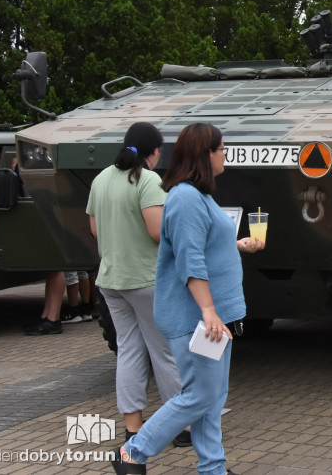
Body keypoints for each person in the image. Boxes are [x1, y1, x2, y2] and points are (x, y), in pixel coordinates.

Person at [112, 123, 264, 475]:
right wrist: (208, 310)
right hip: (195, 318)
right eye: (221, 148)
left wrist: (237, 245)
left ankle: (213, 468)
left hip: (212, 318)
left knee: (211, 398)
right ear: (205, 154)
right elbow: (189, 259)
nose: (225, 154)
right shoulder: (184, 198)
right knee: (199, 395)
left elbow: (205, 246)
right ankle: (132, 452)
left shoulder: (198, 196)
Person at [86, 122, 189, 446]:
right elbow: (157, 231)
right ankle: (181, 428)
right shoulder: (147, 181)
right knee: (166, 353)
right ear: (154, 152)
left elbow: (94, 230)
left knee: (129, 351)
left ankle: (133, 426)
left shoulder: (101, 178)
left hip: (111, 280)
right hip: (146, 281)